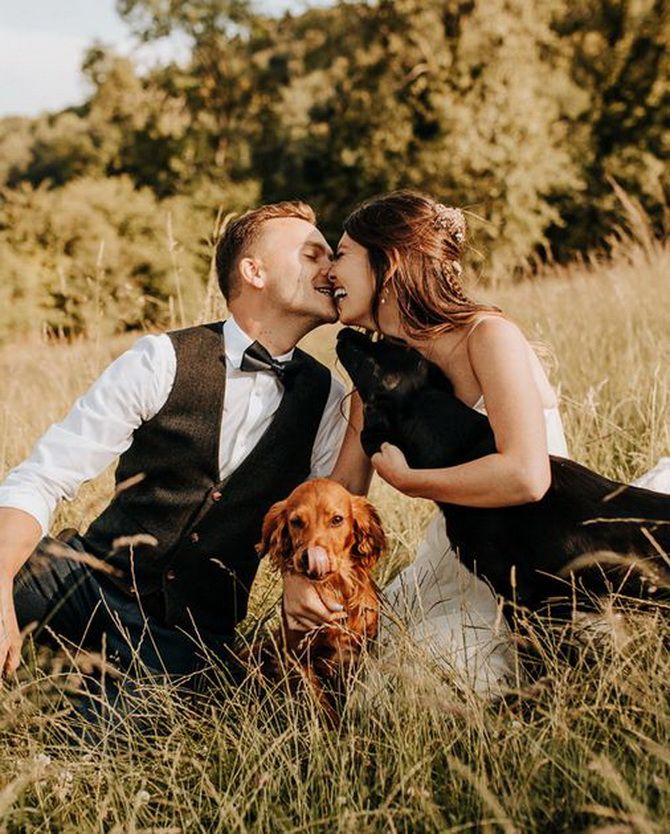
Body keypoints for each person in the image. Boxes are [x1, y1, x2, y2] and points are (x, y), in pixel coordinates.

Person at [284, 189, 668, 695]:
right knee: (381, 690)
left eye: (343, 254)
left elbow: (528, 475)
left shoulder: (487, 336)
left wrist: (413, 482)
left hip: (550, 554)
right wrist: (300, 568)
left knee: (425, 687)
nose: (331, 271)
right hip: (460, 560)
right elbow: (337, 494)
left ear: (390, 262)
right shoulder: (374, 382)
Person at [0, 200, 360, 694]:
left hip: (188, 635)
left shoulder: (329, 400)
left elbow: (330, 526)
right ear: (254, 271)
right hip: (85, 584)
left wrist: (300, 577)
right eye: (313, 254)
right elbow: (42, 477)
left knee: (103, 742)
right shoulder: (159, 360)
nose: (331, 268)